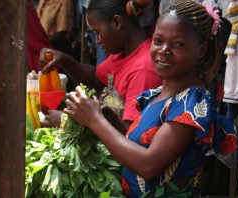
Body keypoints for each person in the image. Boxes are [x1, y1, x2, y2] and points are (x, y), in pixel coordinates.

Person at [63, 1, 238, 197]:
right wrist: (108, 118)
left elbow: (148, 164)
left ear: (201, 50)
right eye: (158, 41)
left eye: (178, 44)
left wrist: (95, 121)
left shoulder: (193, 104)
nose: (163, 50)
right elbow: (143, 144)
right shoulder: (157, 95)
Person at [40, 0, 163, 130]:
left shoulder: (142, 70)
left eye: (98, 32)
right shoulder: (122, 54)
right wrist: (63, 59)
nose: (98, 41)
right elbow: (95, 78)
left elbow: (130, 135)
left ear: (117, 22)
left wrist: (69, 121)